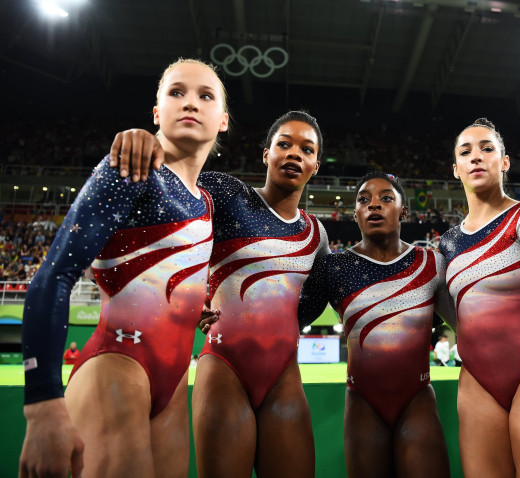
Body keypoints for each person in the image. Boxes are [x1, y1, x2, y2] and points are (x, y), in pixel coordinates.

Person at [19, 58, 228, 478]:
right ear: (156, 113)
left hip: (171, 386)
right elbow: (53, 275)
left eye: (205, 96)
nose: (190, 103)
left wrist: (192, 305)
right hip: (116, 364)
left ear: (223, 120)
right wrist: (41, 405)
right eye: (176, 93)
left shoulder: (206, 202)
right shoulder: (134, 169)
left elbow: (167, 270)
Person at [111, 110, 329, 477]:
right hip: (225, 367)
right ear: (266, 154)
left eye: (306, 149)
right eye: (284, 144)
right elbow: (165, 226)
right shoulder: (225, 192)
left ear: (315, 165)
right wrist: (182, 297)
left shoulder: (316, 234)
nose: (294, 154)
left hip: (285, 377)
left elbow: (312, 302)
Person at [439, 118, 520, 477]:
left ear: (504, 161)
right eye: (465, 152)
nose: (476, 157)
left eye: (487, 148)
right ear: (456, 169)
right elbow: (457, 316)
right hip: (477, 380)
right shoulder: (447, 243)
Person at [298, 171, 455, 477]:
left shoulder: (432, 262)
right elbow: (292, 317)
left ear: (404, 211)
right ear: (355, 213)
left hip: (417, 399)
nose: (374, 205)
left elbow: (465, 324)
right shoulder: (333, 267)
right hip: (362, 404)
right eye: (363, 200)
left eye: (386, 198)